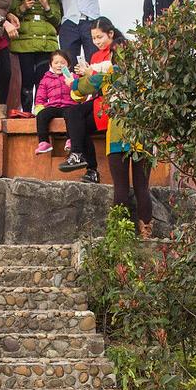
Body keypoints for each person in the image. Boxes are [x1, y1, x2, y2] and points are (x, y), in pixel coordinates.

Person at [61, 17, 154, 234]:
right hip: (144, 135)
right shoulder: (143, 76)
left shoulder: (109, 74)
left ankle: (119, 233)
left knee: (120, 188)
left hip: (119, 135)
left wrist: (73, 84)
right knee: (142, 188)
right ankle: (147, 231)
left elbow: (82, 87)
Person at [7, 0, 62, 118]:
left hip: (46, 42)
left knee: (42, 79)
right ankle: (26, 111)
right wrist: (23, 7)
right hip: (25, 42)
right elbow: (9, 13)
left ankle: (41, 111)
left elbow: (57, 19)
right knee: (27, 79)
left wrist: (46, 6)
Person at [32, 50, 80, 154]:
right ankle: (44, 142)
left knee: (71, 115)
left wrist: (72, 83)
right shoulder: (45, 79)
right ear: (50, 65)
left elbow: (80, 93)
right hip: (53, 106)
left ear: (69, 64)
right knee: (42, 115)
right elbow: (40, 96)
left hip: (70, 105)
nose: (59, 65)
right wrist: (39, 107)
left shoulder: (74, 77)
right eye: (56, 63)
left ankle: (70, 140)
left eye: (63, 63)